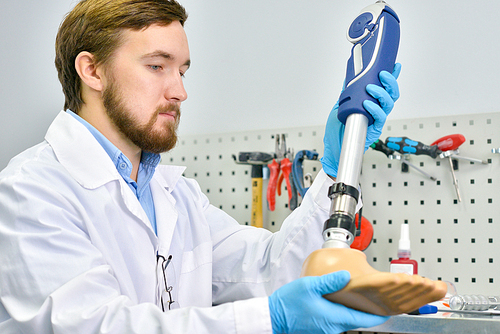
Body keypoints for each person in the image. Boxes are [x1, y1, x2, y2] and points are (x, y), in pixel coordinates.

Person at [0, 0, 400, 333]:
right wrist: (271, 319)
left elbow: (270, 272)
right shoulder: (31, 191)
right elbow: (92, 326)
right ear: (92, 71)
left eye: (182, 70)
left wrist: (334, 167)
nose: (180, 91)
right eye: (157, 66)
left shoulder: (176, 195)